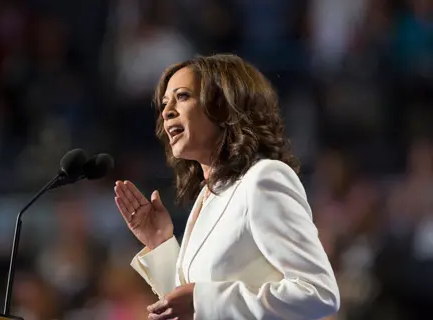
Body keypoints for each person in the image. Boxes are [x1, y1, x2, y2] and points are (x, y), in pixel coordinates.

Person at [113, 54, 340, 320]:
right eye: (164, 104)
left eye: (182, 96)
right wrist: (159, 242)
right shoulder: (209, 196)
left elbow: (318, 293)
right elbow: (191, 306)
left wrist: (203, 302)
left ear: (223, 105)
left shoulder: (264, 179)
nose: (166, 111)